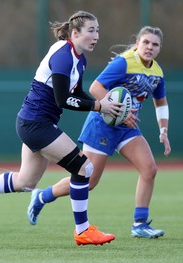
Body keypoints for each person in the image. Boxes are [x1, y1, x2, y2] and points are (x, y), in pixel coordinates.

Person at [0, 10, 122, 246]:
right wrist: (100, 106)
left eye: (97, 30)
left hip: (35, 123)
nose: (96, 35)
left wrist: (102, 104)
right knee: (84, 167)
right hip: (36, 124)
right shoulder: (63, 56)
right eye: (91, 30)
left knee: (25, 183)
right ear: (75, 33)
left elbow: (76, 93)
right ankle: (83, 231)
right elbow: (62, 100)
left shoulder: (79, 59)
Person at [27, 26, 171, 239]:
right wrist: (117, 109)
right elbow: (96, 88)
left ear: (159, 48)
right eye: (146, 42)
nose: (150, 47)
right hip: (101, 125)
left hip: (127, 128)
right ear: (137, 43)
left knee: (149, 169)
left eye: (155, 44)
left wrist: (164, 129)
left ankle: (139, 224)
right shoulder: (124, 62)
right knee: (89, 181)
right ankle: (42, 196)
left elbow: (161, 102)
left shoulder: (157, 72)